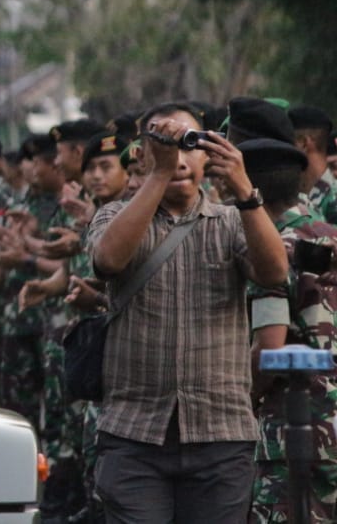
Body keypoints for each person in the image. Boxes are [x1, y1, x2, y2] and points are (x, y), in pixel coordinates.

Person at [89, 102, 288, 523]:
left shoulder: (233, 221)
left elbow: (274, 273)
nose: (178, 157)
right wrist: (158, 176)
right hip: (133, 435)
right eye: (164, 146)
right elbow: (107, 261)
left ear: (208, 153)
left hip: (220, 435)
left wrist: (245, 190)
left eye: (190, 144)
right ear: (141, 156)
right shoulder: (113, 215)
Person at [240, 137, 337, 522]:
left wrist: (243, 396)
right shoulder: (330, 236)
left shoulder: (272, 254)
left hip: (295, 431)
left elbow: (269, 348)